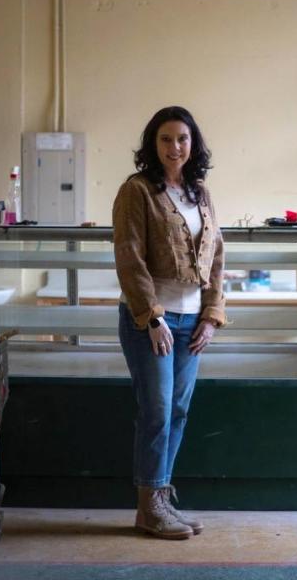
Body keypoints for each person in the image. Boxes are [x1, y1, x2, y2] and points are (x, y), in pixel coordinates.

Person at [112, 106, 226, 540]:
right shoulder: (137, 190)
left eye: (182, 138)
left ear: (192, 143)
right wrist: (152, 317)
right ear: (152, 144)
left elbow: (217, 258)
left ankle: (160, 498)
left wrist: (211, 317)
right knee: (157, 410)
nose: (174, 147)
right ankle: (148, 506)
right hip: (152, 321)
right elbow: (129, 255)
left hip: (192, 320)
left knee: (178, 411)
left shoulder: (201, 192)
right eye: (165, 139)